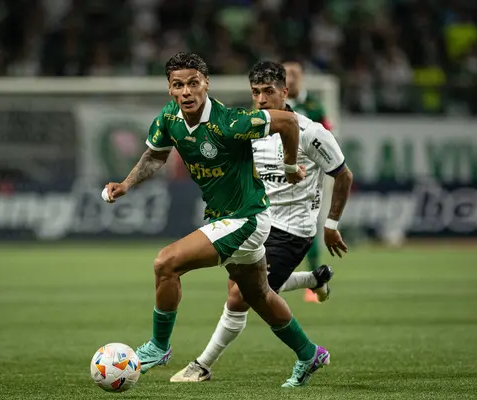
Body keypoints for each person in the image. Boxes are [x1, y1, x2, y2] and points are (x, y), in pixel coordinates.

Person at [104, 53, 339, 388]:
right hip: (224, 217)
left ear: (206, 84)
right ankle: (308, 353)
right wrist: (126, 184)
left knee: (166, 263)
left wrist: (289, 166)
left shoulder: (230, 122)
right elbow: (155, 155)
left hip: (247, 219)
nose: (186, 92)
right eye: (178, 85)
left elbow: (287, 123)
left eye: (193, 83)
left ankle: (159, 346)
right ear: (170, 89)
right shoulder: (170, 118)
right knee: (257, 295)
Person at [171, 61, 352, 383]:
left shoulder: (310, 131)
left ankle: (202, 365)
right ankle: (313, 280)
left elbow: (342, 174)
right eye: (255, 92)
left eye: (269, 91)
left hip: (292, 229)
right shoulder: (249, 127)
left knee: (242, 295)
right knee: (252, 290)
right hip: (254, 220)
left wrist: (332, 225)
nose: (261, 99)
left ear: (285, 92)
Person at [283, 59, 335, 302]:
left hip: (311, 176)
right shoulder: (275, 104)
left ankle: (311, 280)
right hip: (279, 175)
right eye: (286, 74)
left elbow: (328, 137)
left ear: (302, 76)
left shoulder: (313, 106)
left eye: (294, 73)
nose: (290, 78)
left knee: (309, 223)